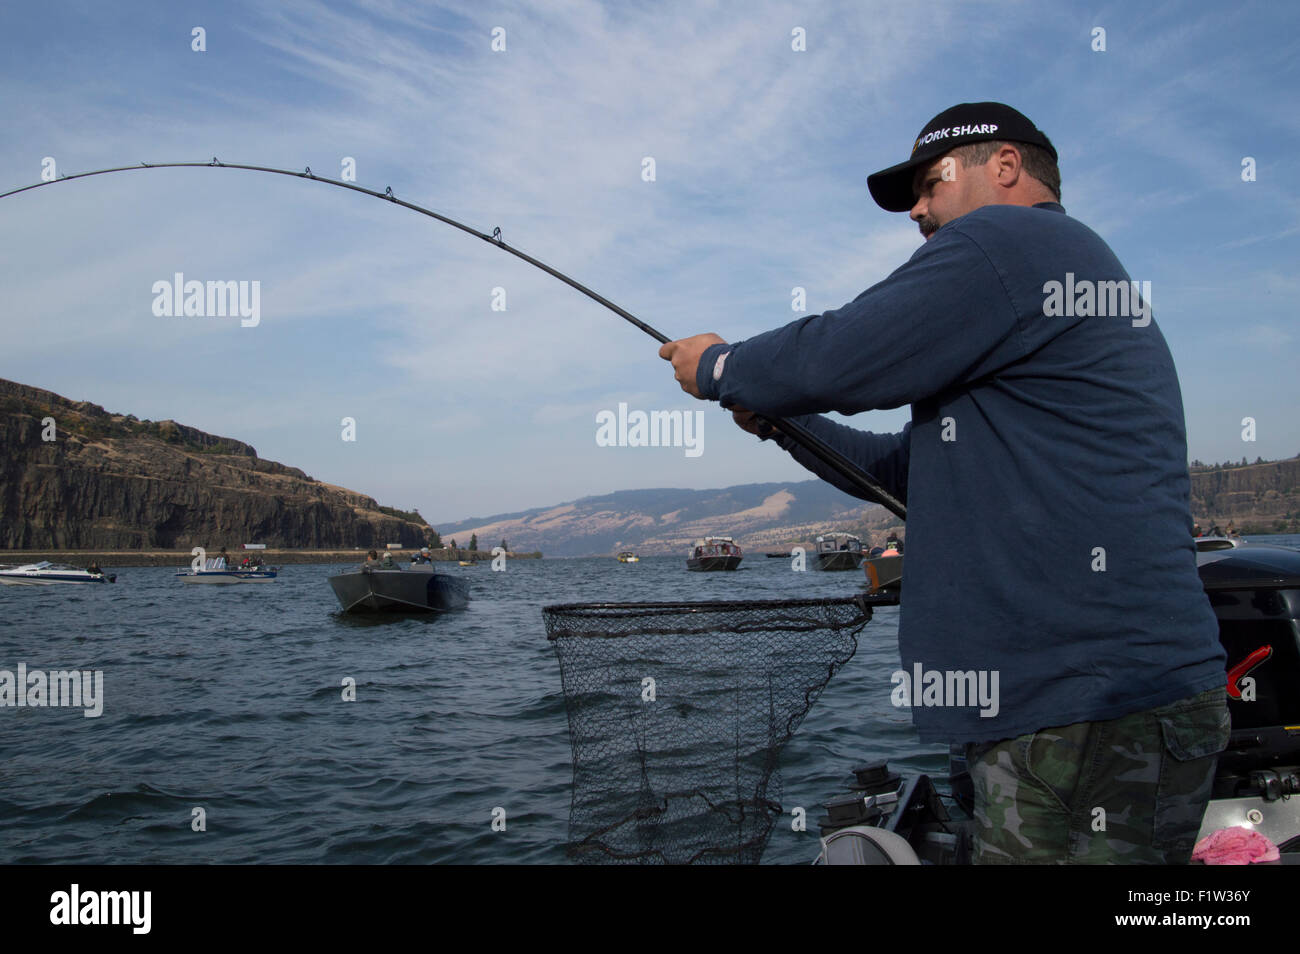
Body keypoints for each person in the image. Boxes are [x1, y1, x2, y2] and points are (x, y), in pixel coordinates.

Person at [659, 103, 1227, 864]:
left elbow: (846, 353)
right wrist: (774, 418)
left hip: (1086, 701)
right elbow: (898, 471)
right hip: (1063, 704)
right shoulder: (1046, 276)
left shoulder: (1013, 240)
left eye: (931, 183)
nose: (920, 211)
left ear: (1005, 167)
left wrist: (725, 368)